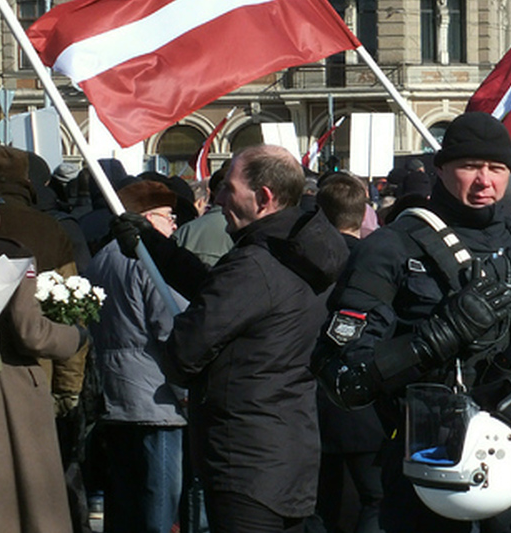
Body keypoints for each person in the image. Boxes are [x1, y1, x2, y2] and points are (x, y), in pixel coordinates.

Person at [313, 112, 511, 533]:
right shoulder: (391, 248)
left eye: (496, 168)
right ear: (441, 168)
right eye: (470, 167)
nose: (484, 180)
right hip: (429, 464)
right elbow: (341, 377)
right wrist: (436, 338)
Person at [112, 144, 350, 532]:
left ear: (264, 197)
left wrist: (187, 333)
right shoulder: (295, 252)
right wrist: (155, 249)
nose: (218, 197)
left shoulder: (254, 265)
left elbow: (183, 354)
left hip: (244, 458)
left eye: (229, 188)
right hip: (287, 450)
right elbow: (228, 297)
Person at [85, 180, 190, 533]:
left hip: (113, 396)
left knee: (124, 500)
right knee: (159, 503)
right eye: (168, 216)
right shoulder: (147, 260)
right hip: (156, 399)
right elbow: (171, 329)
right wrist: (186, 393)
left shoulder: (100, 258)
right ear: (146, 218)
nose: (174, 225)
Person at [0, 233, 88, 533]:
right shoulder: (9, 253)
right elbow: (30, 332)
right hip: (11, 388)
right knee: (29, 504)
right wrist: (75, 336)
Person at [309, 173, 385, 533]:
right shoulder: (378, 262)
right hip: (365, 396)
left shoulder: (303, 263)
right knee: (374, 497)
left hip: (314, 394)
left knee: (320, 502)